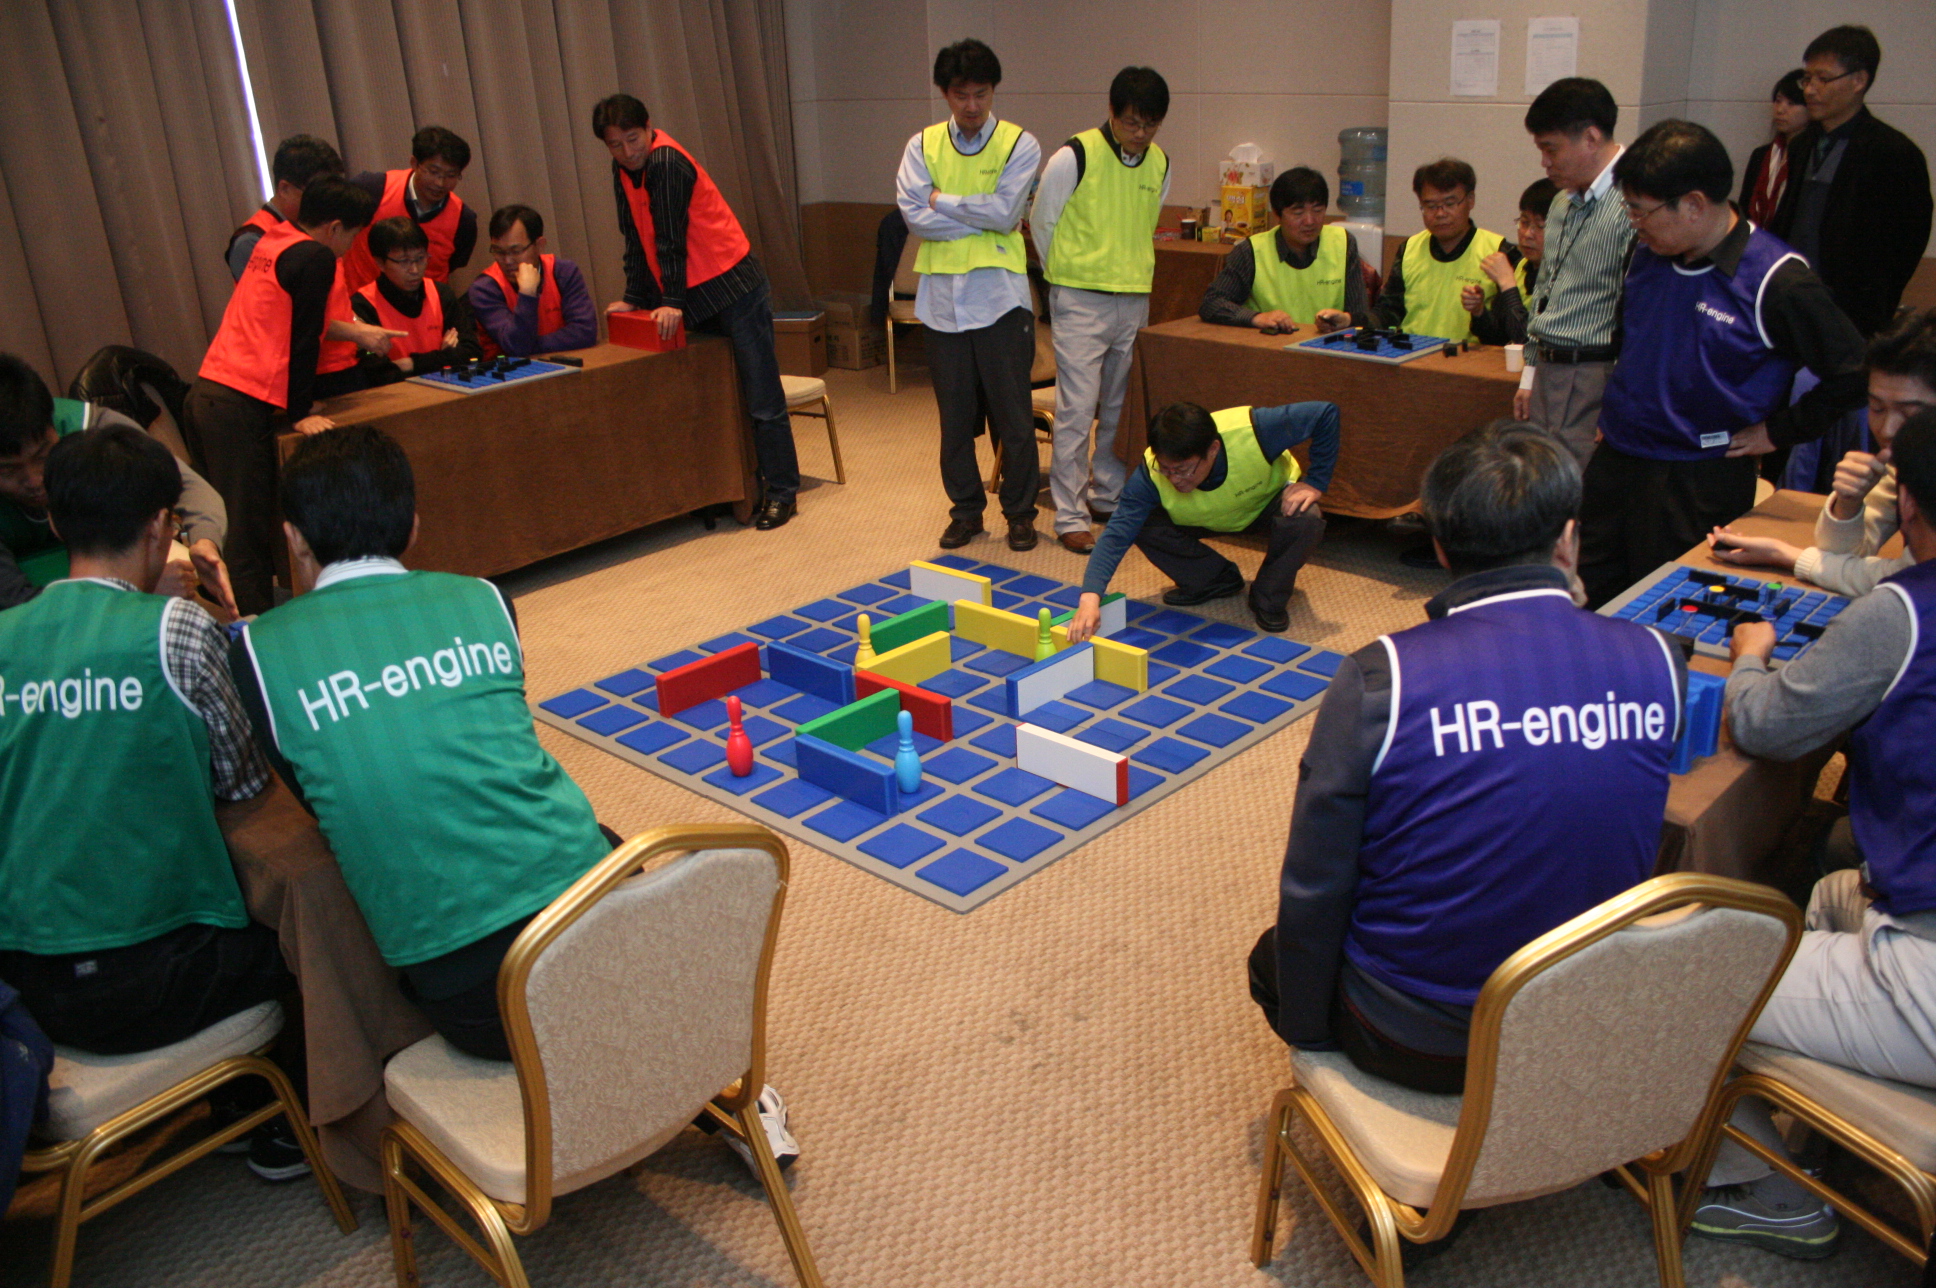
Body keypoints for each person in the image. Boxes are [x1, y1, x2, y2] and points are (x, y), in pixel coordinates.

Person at [230, 425, 799, 1169]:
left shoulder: (254, 650)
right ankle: (712, 1081)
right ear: (413, 525)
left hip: (476, 1008)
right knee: (592, 840)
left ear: (294, 539)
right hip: (608, 922)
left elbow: (316, 798)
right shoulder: (485, 599)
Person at [1248, 422, 1684, 1096]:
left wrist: (1311, 1033)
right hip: (1581, 1017)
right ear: (1568, 538)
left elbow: (1317, 879)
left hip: (1412, 1040)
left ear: (1439, 547)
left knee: (1270, 959)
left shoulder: (1380, 676)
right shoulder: (1659, 657)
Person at [0, 426, 306, 1179]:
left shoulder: (4, 634)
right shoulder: (177, 628)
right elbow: (241, 781)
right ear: (162, 527)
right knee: (315, 936)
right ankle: (274, 1123)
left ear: (57, 523)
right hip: (150, 982)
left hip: (23, 981)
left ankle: (230, 1098)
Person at [1691, 408, 1936, 1259]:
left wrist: (1751, 654)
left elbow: (1766, 726)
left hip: (1931, 971)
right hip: (1913, 910)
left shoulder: (1901, 614)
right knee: (1830, 890)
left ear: (1910, 508)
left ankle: (1775, 1195)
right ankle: (1820, 1084)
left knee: (1690, 978)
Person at [1577, 120, 1867, 609]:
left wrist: (1779, 431)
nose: (1634, 223)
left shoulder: (1778, 279)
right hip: (1618, 460)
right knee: (1586, 596)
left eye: (1641, 211)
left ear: (1694, 204)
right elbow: (1634, 339)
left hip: (1698, 476)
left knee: (1667, 607)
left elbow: (1854, 372)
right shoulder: (1645, 252)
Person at [594, 93, 801, 531]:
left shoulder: (666, 161)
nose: (627, 152)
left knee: (762, 398)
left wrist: (670, 301)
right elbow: (635, 236)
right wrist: (634, 296)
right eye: (615, 144)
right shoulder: (622, 170)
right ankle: (730, 489)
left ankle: (782, 491)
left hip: (733, 287)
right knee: (714, 398)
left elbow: (670, 238)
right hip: (696, 295)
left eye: (633, 139)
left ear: (648, 128)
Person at [186, 175, 377, 616]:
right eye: (353, 236)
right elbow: (304, 338)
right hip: (238, 402)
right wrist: (299, 412)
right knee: (244, 530)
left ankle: (249, 609)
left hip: (210, 392)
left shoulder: (274, 238)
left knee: (240, 523)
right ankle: (252, 626)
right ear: (334, 227)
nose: (351, 247)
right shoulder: (315, 257)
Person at [895, 40, 1043, 553]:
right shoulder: (922, 145)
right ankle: (965, 512)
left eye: (981, 94)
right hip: (941, 304)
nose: (972, 105)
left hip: (999, 298)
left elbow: (1005, 213)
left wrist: (941, 200)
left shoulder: (1020, 144)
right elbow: (915, 217)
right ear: (945, 94)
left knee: (1013, 416)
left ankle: (1020, 514)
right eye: (962, 95)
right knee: (954, 419)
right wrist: (975, 216)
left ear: (993, 91)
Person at [1030, 66, 1171, 556]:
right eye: (1132, 122)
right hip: (1080, 298)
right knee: (1076, 409)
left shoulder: (1160, 163)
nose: (1141, 134)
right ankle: (1069, 515)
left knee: (1118, 407)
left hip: (1133, 297)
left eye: (1150, 125)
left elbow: (1145, 224)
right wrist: (1064, 278)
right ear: (1112, 112)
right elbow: (1042, 222)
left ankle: (1106, 495)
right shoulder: (1075, 156)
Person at [1708, 308, 1936, 596]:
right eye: (1877, 408)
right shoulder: (1906, 459)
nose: (1887, 429)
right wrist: (1848, 504)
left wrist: (1790, 557)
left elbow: (1913, 581)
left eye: (1909, 413)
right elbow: (1843, 556)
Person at [1068, 401, 1335, 638]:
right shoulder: (1149, 473)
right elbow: (1117, 534)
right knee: (1141, 521)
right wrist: (1090, 598)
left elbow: (1325, 413)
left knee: (1306, 518)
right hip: (1203, 517)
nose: (1174, 479)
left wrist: (1315, 482)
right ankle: (1214, 580)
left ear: (1213, 449)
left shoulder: (1255, 430)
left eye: (1183, 469)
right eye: (1166, 470)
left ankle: (1268, 597)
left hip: (1266, 506)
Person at [0, 354, 234, 615]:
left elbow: (189, 487)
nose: (35, 480)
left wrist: (205, 540)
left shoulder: (91, 429)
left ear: (52, 421)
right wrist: (136, 592)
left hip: (109, 575)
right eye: (8, 470)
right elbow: (17, 608)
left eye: (43, 456)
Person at [1768, 25, 1932, 339]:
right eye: (1807, 78)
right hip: (1790, 298)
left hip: (1852, 313)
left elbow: (1908, 241)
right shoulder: (1802, 144)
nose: (1810, 90)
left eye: (1823, 78)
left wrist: (1874, 304)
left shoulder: (1892, 151)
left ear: (1858, 81)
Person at [1514, 77, 1633, 466]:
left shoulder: (1633, 202)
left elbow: (1640, 310)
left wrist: (1623, 394)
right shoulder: (1561, 202)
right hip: (1548, 368)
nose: (1545, 163)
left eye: (1551, 149)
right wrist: (1530, 372)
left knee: (1583, 486)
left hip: (1595, 372)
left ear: (1591, 138)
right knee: (1540, 482)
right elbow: (1544, 290)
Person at [1197, 167, 1370, 336]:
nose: (1310, 221)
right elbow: (1212, 303)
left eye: (1318, 210)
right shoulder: (1251, 251)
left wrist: (1344, 319)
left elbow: (1361, 315)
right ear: (1277, 215)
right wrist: (1257, 318)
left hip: (1326, 347)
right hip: (1269, 349)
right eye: (1298, 212)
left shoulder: (1343, 242)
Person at [1369, 158, 1511, 346]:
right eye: (1430, 206)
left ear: (1470, 200)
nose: (1440, 214)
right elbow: (1389, 312)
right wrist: (1351, 320)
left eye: (1450, 203)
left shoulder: (1498, 252)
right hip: (1411, 354)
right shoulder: (1409, 248)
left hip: (1470, 358)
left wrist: (1480, 312)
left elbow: (1506, 333)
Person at [347, 217, 484, 388]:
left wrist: (411, 363)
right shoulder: (362, 304)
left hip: (450, 389)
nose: (414, 270)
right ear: (380, 263)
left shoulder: (441, 294)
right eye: (404, 261)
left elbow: (472, 353)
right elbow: (377, 374)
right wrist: (443, 357)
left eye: (420, 258)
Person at [340, 127, 479, 292]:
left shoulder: (463, 220)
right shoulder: (373, 188)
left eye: (451, 175)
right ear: (414, 163)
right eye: (433, 172)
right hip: (359, 301)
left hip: (422, 304)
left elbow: (454, 264)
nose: (440, 183)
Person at [467, 204, 597, 358]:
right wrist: (527, 294)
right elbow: (517, 345)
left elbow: (585, 332)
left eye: (516, 251)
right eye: (499, 251)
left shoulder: (563, 271)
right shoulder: (484, 288)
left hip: (567, 363)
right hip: (511, 371)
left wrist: (532, 346)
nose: (507, 261)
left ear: (539, 245)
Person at [225, 134, 345, 281]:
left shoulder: (323, 227)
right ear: (285, 189)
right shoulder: (251, 241)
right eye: (319, 194)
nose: (327, 203)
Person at [1468, 178, 1559, 347]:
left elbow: (1529, 343)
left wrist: (1507, 284)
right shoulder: (1519, 267)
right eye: (1524, 222)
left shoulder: (1566, 277)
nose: (1527, 234)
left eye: (1540, 225)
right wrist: (1480, 312)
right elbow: (1498, 338)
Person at [1740, 70, 1808, 227]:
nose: (1780, 110)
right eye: (1778, 101)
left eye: (1791, 103)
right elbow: (1744, 209)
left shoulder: (1810, 159)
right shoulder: (1761, 155)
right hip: (1755, 236)